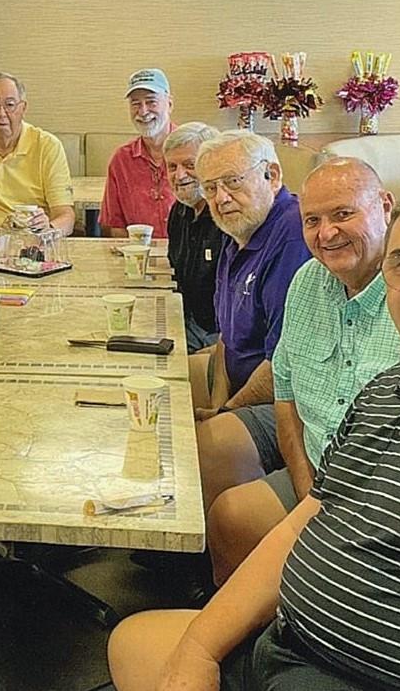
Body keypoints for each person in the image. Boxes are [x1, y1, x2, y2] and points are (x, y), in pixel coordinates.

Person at [108, 183, 400, 691]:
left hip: (358, 670)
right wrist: (200, 646)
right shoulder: (390, 389)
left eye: (344, 213)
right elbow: (288, 403)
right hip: (292, 640)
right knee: (133, 643)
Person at [205, 158, 400, 585]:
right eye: (312, 220)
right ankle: (240, 624)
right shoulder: (307, 281)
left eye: (343, 214)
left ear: (385, 206)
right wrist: (306, 494)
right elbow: (287, 396)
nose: (326, 233)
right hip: (316, 470)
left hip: (385, 500)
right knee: (227, 511)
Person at [191, 131, 311, 516]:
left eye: (232, 181)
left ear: (272, 175)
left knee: (210, 439)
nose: (221, 198)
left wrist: (227, 412)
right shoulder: (239, 229)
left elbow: (282, 365)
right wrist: (219, 401)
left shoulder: (292, 236)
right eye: (210, 188)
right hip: (244, 377)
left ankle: (204, 546)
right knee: (171, 377)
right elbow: (228, 334)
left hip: (289, 397)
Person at [0, 71, 74, 237]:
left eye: (10, 105)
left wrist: (49, 229)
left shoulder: (47, 145)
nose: (1, 113)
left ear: (23, 108)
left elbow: (66, 217)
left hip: (35, 241)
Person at [162, 122, 225, 352]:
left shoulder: (226, 216)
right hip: (184, 318)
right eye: (171, 166)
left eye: (190, 165)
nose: (179, 175)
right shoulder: (180, 210)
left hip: (216, 334)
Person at [101, 68, 177, 238]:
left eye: (151, 102)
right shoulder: (121, 160)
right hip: (138, 255)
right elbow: (115, 225)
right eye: (135, 103)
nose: (143, 111)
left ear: (170, 104)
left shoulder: (194, 151)